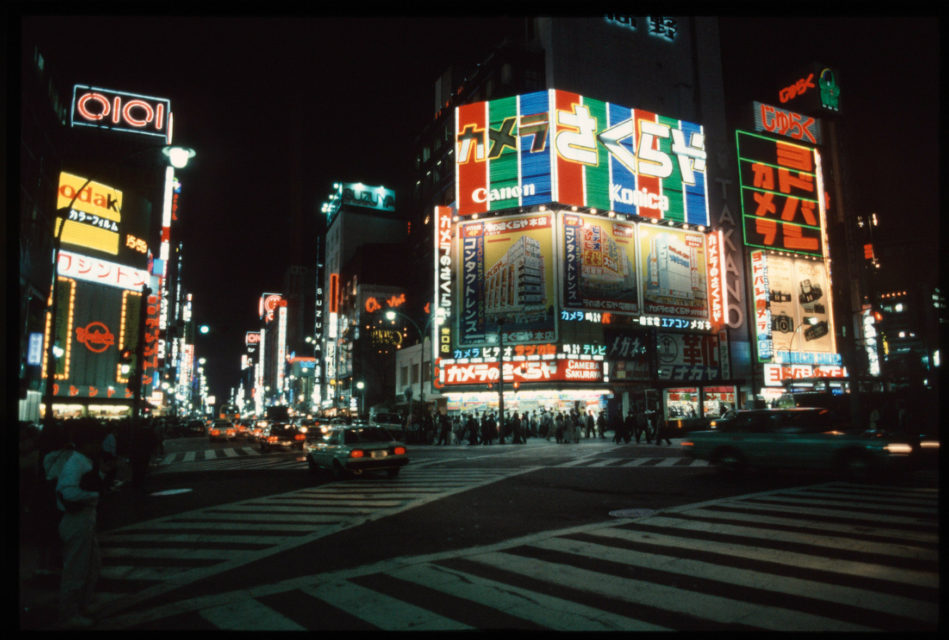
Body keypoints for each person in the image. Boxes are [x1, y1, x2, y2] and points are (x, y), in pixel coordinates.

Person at [55, 421, 110, 628]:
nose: (99, 446)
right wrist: (96, 494)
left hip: (85, 518)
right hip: (76, 519)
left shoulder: (83, 460)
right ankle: (69, 614)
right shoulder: (76, 463)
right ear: (87, 443)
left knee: (91, 565)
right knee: (76, 569)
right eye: (96, 442)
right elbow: (67, 492)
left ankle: (81, 606)